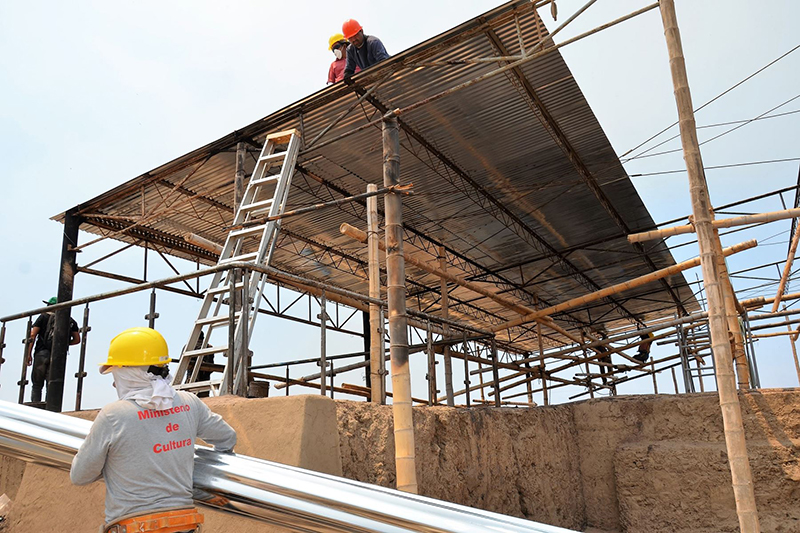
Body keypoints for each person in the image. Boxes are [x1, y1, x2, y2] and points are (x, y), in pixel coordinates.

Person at [70, 327, 237, 533]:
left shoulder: (114, 415)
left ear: (130, 372)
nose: (114, 383)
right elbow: (227, 437)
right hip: (184, 525)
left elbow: (79, 476)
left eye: (117, 373)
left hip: (135, 526)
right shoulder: (189, 403)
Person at [26, 296, 81, 403]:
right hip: (58, 355)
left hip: (41, 353)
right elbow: (77, 340)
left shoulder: (43, 317)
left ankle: (35, 406)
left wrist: (28, 354)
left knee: (37, 384)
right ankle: (50, 409)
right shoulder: (70, 321)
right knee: (51, 384)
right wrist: (61, 344)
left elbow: (32, 335)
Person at [341, 19, 390, 83]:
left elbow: (384, 63)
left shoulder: (373, 42)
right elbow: (349, 70)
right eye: (350, 38)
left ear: (361, 31)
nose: (354, 39)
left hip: (387, 76)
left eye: (355, 35)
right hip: (372, 80)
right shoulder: (350, 50)